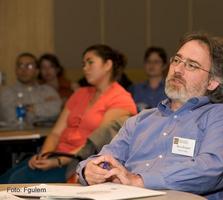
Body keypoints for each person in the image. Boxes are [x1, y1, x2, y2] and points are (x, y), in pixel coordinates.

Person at [76, 33, 223, 199]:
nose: (178, 69)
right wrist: (89, 170)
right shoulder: (141, 120)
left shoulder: (220, 117)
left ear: (212, 82)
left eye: (192, 65)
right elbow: (107, 157)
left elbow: (210, 169)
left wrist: (139, 180)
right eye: (177, 60)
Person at [0, 44, 137, 183]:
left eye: (90, 63)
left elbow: (98, 144)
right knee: (5, 178)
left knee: (14, 182)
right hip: (56, 156)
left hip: (80, 163)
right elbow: (55, 133)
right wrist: (44, 156)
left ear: (108, 64)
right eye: (83, 64)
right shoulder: (80, 93)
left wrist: (58, 161)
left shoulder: (120, 99)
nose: (85, 68)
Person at [0, 52, 62, 125]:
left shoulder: (48, 90)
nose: (24, 70)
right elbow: (12, 117)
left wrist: (28, 108)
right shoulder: (7, 93)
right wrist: (41, 108)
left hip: (45, 134)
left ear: (37, 71)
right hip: (17, 134)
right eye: (20, 65)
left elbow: (57, 110)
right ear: (16, 70)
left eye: (29, 66)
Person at [129, 47, 167, 111]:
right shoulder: (135, 89)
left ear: (164, 65)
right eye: (148, 61)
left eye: (156, 62)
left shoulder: (170, 89)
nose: (151, 65)